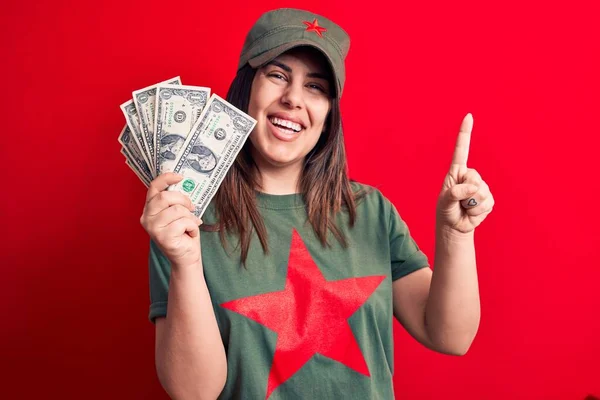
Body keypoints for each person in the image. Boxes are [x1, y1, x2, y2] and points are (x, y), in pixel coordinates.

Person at [140, 8, 495, 400]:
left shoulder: (371, 211)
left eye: (315, 87)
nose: (293, 98)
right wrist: (186, 262)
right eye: (277, 75)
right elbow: (193, 392)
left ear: (328, 115)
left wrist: (455, 235)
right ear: (246, 88)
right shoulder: (184, 218)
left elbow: (451, 335)